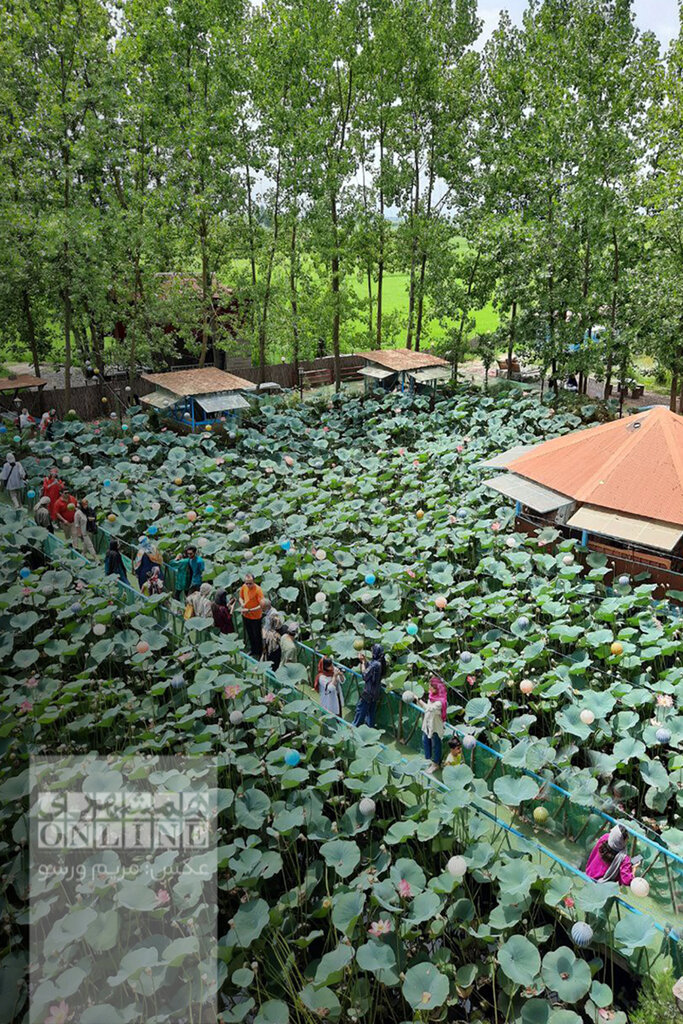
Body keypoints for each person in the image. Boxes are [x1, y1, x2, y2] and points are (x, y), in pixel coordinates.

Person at [416, 676, 448, 773]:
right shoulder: (432, 696)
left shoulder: (440, 702)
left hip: (435, 726)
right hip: (428, 723)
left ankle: (435, 764)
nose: (429, 688)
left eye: (431, 687)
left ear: (437, 688)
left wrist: (417, 699)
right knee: (425, 740)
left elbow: (429, 708)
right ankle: (428, 760)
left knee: (436, 745)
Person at [352, 644, 387, 728]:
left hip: (368, 692)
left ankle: (354, 727)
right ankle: (369, 729)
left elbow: (365, 675)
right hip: (375, 693)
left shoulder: (375, 665)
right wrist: (365, 660)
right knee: (371, 713)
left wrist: (363, 662)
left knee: (360, 711)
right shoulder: (381, 663)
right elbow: (371, 667)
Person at [239, 572, 264, 657]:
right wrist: (242, 603)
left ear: (254, 581)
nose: (248, 585)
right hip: (246, 615)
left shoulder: (258, 590)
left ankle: (260, 652)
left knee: (257, 635)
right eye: (247, 583)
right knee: (250, 634)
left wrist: (249, 610)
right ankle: (253, 650)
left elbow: (261, 605)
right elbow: (240, 597)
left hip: (256, 616)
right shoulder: (244, 587)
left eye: (250, 583)